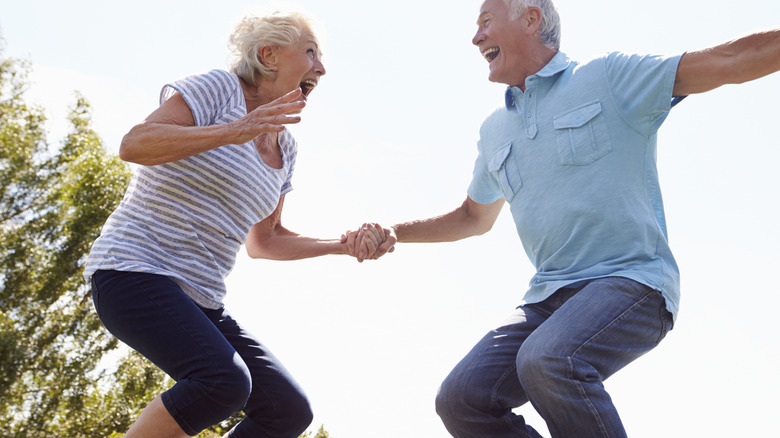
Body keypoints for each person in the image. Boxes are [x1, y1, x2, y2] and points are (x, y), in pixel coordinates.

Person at [347, 0, 780, 437]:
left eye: (485, 21)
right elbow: (471, 217)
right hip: (547, 300)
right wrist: (395, 232)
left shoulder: (608, 78)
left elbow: (727, 62)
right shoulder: (495, 129)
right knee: (462, 398)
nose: (475, 37)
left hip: (633, 281)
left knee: (548, 359)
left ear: (531, 18)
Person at [84, 11, 385, 438]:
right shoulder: (218, 89)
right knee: (223, 383)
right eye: (311, 52)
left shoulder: (285, 146)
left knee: (286, 411)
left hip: (202, 298)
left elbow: (266, 241)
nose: (321, 67)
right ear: (269, 55)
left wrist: (342, 243)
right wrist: (233, 130)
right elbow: (134, 144)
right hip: (132, 271)